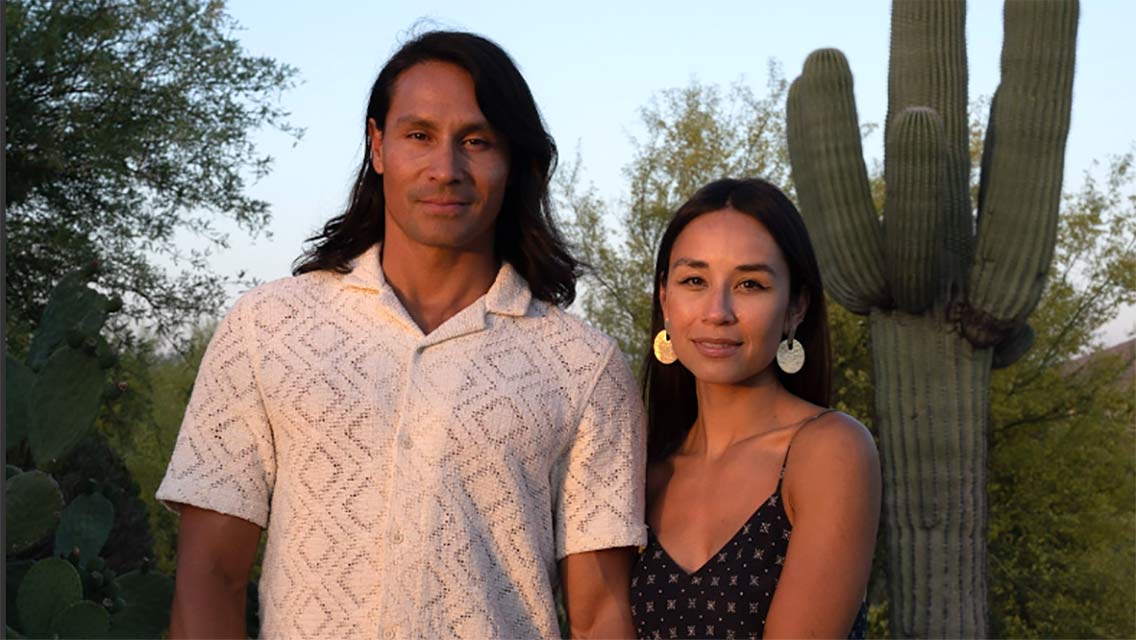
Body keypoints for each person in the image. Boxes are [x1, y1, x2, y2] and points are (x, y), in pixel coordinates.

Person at [157, 31, 645, 639]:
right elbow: (208, 579)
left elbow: (601, 616)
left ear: (511, 160)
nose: (447, 169)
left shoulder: (583, 365)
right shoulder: (267, 327)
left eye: (477, 141)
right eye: (420, 136)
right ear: (378, 145)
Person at [629, 178, 880, 639]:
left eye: (750, 284)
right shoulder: (640, 472)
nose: (718, 311)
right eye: (694, 281)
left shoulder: (829, 451)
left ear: (795, 307)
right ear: (665, 298)